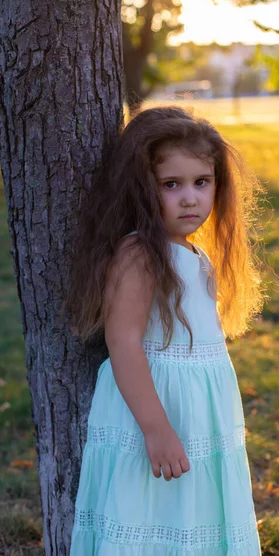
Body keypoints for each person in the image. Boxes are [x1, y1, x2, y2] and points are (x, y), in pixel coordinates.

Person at [66, 105, 266, 554]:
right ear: (142, 189)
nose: (190, 198)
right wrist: (157, 430)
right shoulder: (139, 255)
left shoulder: (196, 257)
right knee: (150, 519)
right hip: (156, 415)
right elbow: (124, 342)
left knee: (194, 519)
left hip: (200, 420)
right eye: (170, 185)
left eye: (202, 182)